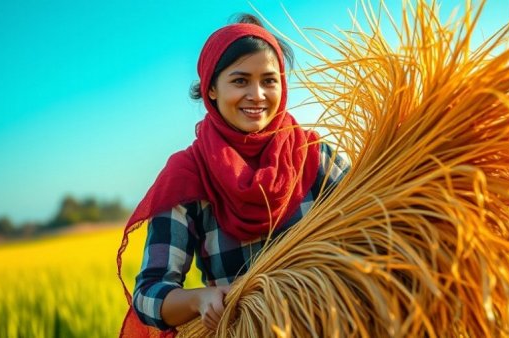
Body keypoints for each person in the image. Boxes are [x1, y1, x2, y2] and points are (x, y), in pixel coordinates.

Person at [117, 14, 349, 336]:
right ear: (211, 89)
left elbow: (375, 232)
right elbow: (148, 295)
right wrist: (200, 299)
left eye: (269, 80)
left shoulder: (313, 155)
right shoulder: (189, 175)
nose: (257, 95)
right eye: (240, 81)